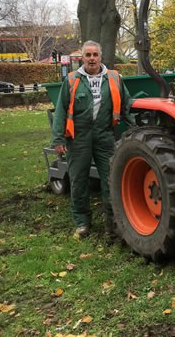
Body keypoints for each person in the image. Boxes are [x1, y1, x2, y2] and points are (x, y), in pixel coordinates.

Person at [51, 40, 134, 238]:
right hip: (78, 137)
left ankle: (112, 224)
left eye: (95, 55)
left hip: (104, 135)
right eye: (87, 55)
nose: (91, 59)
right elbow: (61, 111)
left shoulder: (114, 78)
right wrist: (58, 139)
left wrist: (134, 128)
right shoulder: (72, 80)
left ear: (100, 57)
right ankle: (82, 222)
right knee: (79, 180)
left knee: (110, 179)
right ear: (82, 57)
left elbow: (126, 105)